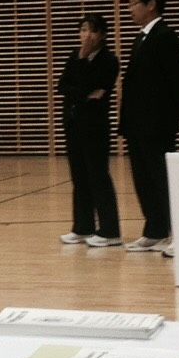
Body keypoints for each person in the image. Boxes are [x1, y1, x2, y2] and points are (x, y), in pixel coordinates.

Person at [120, 0, 179, 256]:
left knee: (161, 178)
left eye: (133, 3)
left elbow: (178, 78)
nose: (130, 9)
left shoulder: (165, 36)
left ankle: (177, 233)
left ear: (151, 5)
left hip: (157, 122)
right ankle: (155, 230)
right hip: (138, 122)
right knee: (143, 178)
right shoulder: (141, 37)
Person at [57, 14, 122, 247]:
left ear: (102, 34)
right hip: (73, 124)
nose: (87, 35)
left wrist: (83, 65)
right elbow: (63, 86)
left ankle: (110, 230)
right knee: (79, 177)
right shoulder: (74, 56)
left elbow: (95, 87)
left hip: (95, 126)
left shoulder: (109, 60)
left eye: (92, 30)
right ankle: (83, 227)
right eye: (83, 30)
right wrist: (83, 92)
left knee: (98, 176)